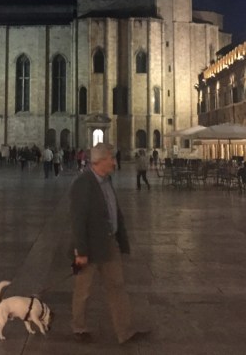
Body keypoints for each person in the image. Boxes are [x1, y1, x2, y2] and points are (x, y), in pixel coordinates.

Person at [69, 143, 148, 345]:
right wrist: (81, 251)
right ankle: (79, 327)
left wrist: (121, 238)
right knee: (83, 290)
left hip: (109, 243)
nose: (114, 162)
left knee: (117, 286)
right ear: (100, 161)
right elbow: (78, 220)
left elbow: (114, 211)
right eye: (111, 158)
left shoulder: (107, 180)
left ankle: (125, 331)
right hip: (88, 247)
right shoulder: (82, 183)